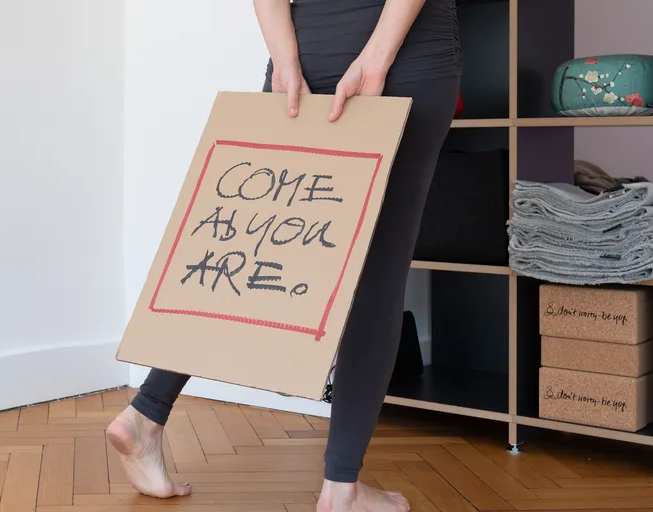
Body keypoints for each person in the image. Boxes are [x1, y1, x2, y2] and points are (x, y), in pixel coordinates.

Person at [106, 0, 462, 510]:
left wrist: (285, 59)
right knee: (375, 276)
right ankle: (342, 489)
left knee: (255, 251)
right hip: (404, 53)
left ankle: (145, 413)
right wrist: (377, 58)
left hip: (306, 49)